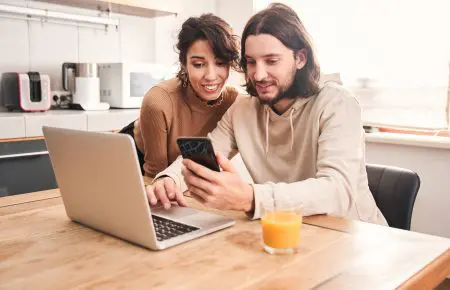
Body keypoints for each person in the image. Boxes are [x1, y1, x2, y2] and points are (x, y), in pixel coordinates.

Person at [147, 3, 387, 225]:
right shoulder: (243, 109)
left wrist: (250, 198)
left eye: (271, 61)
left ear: (300, 58)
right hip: (285, 232)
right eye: (251, 62)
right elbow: (206, 152)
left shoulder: (337, 103)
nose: (258, 75)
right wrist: (168, 179)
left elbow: (336, 192)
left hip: (352, 236)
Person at [119, 13, 240, 183]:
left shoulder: (234, 102)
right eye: (198, 64)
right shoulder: (159, 100)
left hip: (178, 172)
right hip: (136, 161)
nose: (211, 76)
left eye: (220, 63)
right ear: (184, 64)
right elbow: (155, 175)